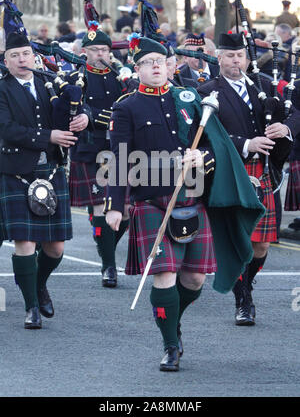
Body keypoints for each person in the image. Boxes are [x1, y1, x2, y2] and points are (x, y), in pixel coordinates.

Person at [105, 35, 265, 371]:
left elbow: (217, 146)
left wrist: (201, 157)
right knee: (164, 275)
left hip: (192, 198)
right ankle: (170, 344)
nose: (156, 67)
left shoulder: (189, 100)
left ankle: (172, 319)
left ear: (170, 65)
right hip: (151, 201)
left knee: (193, 280)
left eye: (160, 61)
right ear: (137, 70)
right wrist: (115, 205)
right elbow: (119, 161)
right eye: (148, 63)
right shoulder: (126, 107)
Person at [198, 32, 300, 326]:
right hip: (231, 172)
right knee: (238, 238)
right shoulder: (208, 91)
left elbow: (295, 113)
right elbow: (206, 136)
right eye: (230, 55)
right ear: (219, 58)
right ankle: (243, 298)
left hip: (262, 172)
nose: (236, 60)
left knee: (261, 245)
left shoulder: (264, 85)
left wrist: (284, 127)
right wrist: (246, 143)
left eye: (241, 55)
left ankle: (247, 282)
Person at [0, 32, 89, 328]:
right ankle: (31, 307)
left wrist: (83, 118)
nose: (22, 59)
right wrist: (47, 136)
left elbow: (75, 106)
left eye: (26, 53)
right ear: (6, 60)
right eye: (15, 55)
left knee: (55, 247)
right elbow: (7, 128)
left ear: (34, 56)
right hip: (15, 171)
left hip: (50, 170)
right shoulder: (2, 90)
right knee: (24, 243)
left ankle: (38, 284)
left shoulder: (50, 83)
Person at [67, 25, 130, 288]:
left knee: (125, 211)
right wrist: (105, 118)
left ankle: (104, 244)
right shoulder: (76, 77)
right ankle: (108, 265)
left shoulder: (120, 77)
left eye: (105, 49)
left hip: (119, 149)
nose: (101, 54)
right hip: (90, 149)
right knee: (101, 206)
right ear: (84, 52)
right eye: (95, 50)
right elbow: (80, 108)